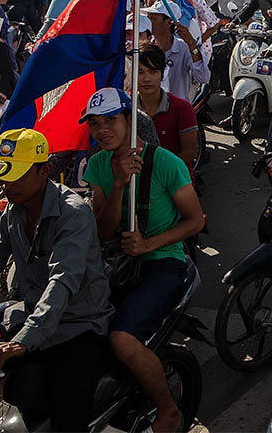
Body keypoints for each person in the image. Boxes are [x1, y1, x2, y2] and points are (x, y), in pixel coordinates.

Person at [0, 129, 114, 432]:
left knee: (67, 419)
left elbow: (61, 284)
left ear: (44, 170)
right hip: (29, 312)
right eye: (3, 177)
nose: (6, 185)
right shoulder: (14, 212)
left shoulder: (73, 214)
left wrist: (20, 342)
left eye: (17, 176)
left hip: (77, 325)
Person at [83, 88, 205, 433]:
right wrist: (120, 184)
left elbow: (196, 221)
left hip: (164, 263)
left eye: (111, 121)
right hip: (119, 263)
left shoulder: (166, 162)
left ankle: (168, 410)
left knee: (123, 339)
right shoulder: (97, 165)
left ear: (129, 121)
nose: (103, 130)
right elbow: (103, 231)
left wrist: (148, 243)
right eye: (95, 124)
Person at [136, 44, 198, 173]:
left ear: (162, 74)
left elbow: (190, 151)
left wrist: (159, 174)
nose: (146, 79)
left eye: (153, 72)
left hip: (175, 180)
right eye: (140, 72)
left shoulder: (181, 108)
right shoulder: (127, 110)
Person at [142, 0, 209, 102]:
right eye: (148, 17)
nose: (148, 21)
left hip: (177, 111)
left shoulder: (184, 48)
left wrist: (192, 45)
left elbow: (203, 77)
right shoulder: (145, 48)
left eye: (153, 18)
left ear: (169, 22)